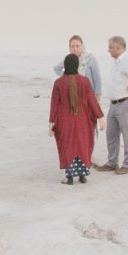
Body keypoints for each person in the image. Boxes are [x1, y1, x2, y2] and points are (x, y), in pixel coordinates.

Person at [48, 54, 104, 184]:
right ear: (77, 65)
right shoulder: (85, 81)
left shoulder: (58, 83)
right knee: (82, 145)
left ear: (65, 66)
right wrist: (101, 118)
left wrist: (51, 124)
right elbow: (92, 101)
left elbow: (54, 105)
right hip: (82, 121)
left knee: (67, 146)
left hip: (64, 121)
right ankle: (82, 176)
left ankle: (69, 178)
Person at [96, 36, 128, 174]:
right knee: (111, 134)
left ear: (118, 48)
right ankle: (112, 162)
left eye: (110, 47)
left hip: (126, 103)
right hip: (114, 104)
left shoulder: (127, 60)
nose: (108, 50)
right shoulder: (117, 62)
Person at [53, 35, 103, 163]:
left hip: (88, 97)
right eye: (72, 46)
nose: (75, 49)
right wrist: (67, 77)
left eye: (77, 46)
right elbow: (56, 68)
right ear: (69, 47)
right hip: (73, 98)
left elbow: (97, 80)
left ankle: (91, 154)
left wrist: (98, 98)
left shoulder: (90, 60)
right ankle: (77, 155)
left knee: (91, 126)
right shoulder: (69, 60)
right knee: (77, 127)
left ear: (82, 46)